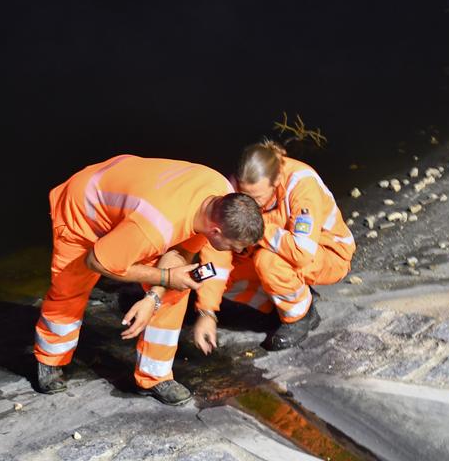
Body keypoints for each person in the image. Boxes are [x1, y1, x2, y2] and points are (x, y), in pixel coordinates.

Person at [34, 154, 264, 405]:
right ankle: (50, 359)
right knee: (70, 285)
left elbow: (181, 252)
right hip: (83, 208)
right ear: (216, 231)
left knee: (177, 289)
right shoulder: (156, 225)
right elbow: (96, 262)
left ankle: (154, 376)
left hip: (133, 204)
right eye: (237, 246)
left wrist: (154, 296)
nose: (240, 253)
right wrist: (165, 276)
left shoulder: (219, 194)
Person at [196, 140, 356, 351]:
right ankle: (278, 304)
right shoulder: (233, 189)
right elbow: (214, 251)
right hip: (273, 247)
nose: (250, 205)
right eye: (245, 197)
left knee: (268, 262)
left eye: (257, 198)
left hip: (328, 253)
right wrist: (207, 311)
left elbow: (301, 253)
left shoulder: (301, 185)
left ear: (277, 180)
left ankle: (299, 316)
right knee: (210, 275)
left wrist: (259, 229)